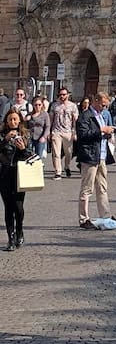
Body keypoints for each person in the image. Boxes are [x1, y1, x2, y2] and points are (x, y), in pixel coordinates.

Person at [76, 93, 116, 228]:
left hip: (101, 155)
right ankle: (84, 219)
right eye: (102, 104)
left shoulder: (101, 115)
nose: (104, 107)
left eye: (106, 105)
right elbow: (83, 135)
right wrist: (101, 130)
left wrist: (107, 134)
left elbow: (98, 135)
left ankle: (105, 215)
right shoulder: (85, 116)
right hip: (89, 156)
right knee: (87, 189)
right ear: (95, 101)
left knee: (102, 187)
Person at [0, 109, 31, 249]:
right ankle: (10, 238)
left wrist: (23, 149)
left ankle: (19, 231)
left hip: (20, 176)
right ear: (6, 121)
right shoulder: (1, 136)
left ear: (19, 121)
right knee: (8, 208)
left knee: (18, 208)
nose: (12, 122)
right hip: (4, 175)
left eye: (15, 119)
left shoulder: (25, 135)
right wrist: (5, 140)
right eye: (10, 119)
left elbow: (30, 156)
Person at [49, 86, 79, 179]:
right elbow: (51, 119)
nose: (62, 96)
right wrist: (49, 132)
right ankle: (58, 171)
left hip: (68, 132)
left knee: (69, 152)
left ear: (68, 95)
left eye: (64, 94)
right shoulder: (54, 105)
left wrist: (75, 132)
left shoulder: (73, 106)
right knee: (56, 153)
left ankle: (67, 166)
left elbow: (75, 120)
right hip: (56, 131)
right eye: (60, 95)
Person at [24, 94, 48, 162]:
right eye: (35, 105)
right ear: (33, 105)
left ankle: (38, 169)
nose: (37, 106)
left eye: (39, 105)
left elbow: (47, 126)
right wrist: (26, 119)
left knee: (38, 156)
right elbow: (24, 126)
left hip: (40, 137)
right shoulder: (30, 114)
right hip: (30, 137)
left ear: (42, 105)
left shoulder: (45, 114)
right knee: (29, 155)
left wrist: (44, 136)